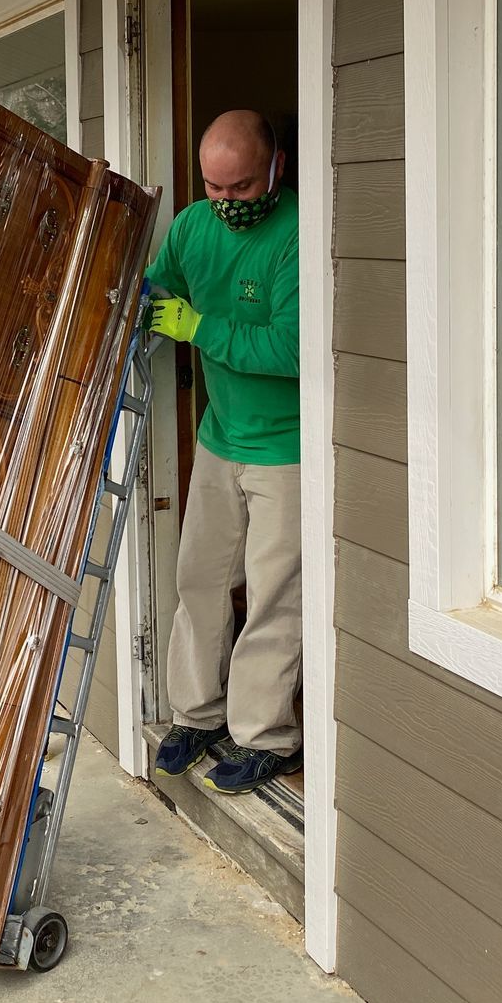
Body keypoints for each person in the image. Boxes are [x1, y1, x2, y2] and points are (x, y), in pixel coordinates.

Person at [145, 109, 302, 795]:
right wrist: (144, 303)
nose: (227, 202)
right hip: (219, 435)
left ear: (277, 168)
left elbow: (292, 349)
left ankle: (266, 736)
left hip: (283, 446)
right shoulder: (190, 226)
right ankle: (198, 714)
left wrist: (200, 326)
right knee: (199, 578)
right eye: (215, 187)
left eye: (241, 188)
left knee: (274, 594)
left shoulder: (298, 232)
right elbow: (161, 282)